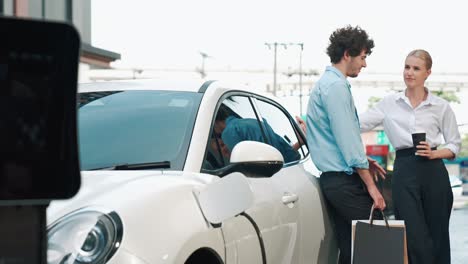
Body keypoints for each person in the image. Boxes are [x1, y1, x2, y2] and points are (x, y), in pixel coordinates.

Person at [359, 49, 461, 264]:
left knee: (438, 236)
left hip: (434, 171)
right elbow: (356, 124)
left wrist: (434, 153)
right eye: (407, 67)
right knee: (413, 236)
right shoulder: (389, 104)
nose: (410, 72)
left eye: (416, 68)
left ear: (428, 73)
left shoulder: (440, 106)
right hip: (404, 170)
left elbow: (454, 145)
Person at [305, 25, 386, 264]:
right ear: (347, 54)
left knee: (352, 251)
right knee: (376, 241)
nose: (364, 64)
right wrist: (372, 187)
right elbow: (348, 141)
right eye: (362, 57)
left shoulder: (326, 85)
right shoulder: (336, 87)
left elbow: (334, 137)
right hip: (343, 182)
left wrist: (363, 161)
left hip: (335, 180)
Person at [213, 103, 301, 163]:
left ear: (214, 122)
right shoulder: (255, 122)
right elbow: (286, 151)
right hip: (290, 167)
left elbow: (241, 164)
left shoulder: (228, 132)